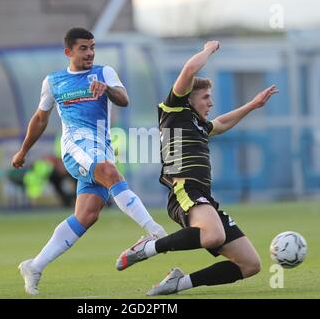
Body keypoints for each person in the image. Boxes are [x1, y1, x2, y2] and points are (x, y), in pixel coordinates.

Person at [115, 41, 278, 296]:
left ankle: (178, 283)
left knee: (250, 265)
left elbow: (222, 123)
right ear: (188, 98)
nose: (211, 103)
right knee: (212, 236)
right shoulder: (174, 110)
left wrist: (253, 105)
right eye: (206, 97)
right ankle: (148, 247)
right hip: (184, 189)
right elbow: (190, 69)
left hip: (203, 197)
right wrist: (209, 49)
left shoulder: (200, 125)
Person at [12, 27, 167, 295]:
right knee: (110, 172)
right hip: (75, 148)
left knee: (87, 215)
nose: (90, 53)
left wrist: (106, 89)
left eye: (92, 47)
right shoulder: (54, 81)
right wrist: (23, 151)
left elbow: (124, 99)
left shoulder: (103, 72)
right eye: (83, 48)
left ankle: (34, 266)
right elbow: (40, 119)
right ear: (68, 52)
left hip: (101, 147)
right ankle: (154, 231)